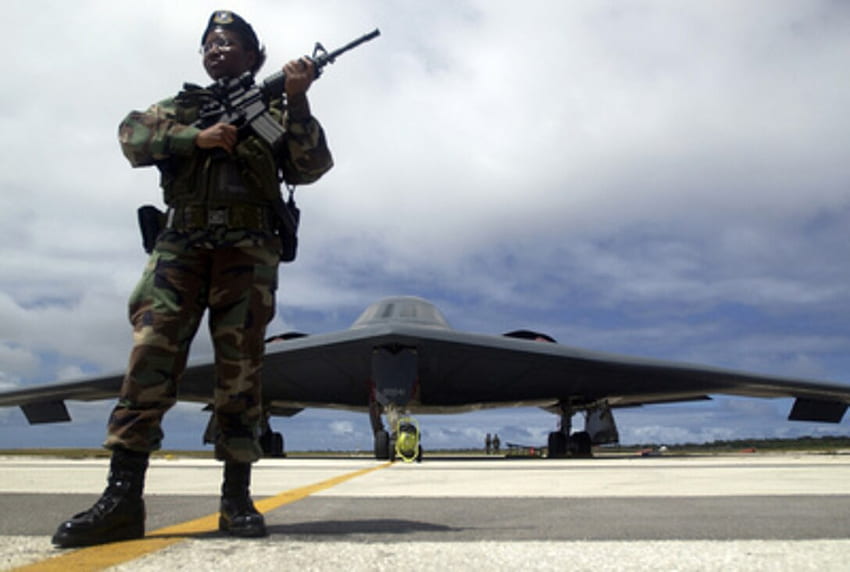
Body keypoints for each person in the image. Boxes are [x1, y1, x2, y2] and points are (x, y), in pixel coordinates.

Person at [52, 10, 333, 548]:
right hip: (178, 247)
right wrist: (194, 138)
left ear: (255, 56)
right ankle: (121, 499)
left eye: (229, 42)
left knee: (241, 370)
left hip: (246, 252)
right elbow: (131, 136)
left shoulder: (275, 110)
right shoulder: (180, 107)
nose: (216, 49)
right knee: (149, 359)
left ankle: (236, 498)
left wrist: (297, 99)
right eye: (209, 43)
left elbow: (311, 165)